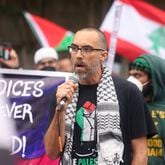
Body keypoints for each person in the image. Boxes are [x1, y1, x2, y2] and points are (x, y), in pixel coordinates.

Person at [44, 28, 157, 165]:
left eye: (86, 49)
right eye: (74, 48)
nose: (78, 55)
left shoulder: (128, 92)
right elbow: (52, 152)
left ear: (103, 56)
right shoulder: (63, 94)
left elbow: (140, 153)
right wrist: (60, 111)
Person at [128, 54, 165, 165]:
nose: (131, 80)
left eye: (138, 75)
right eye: (130, 75)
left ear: (154, 79)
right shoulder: (128, 105)